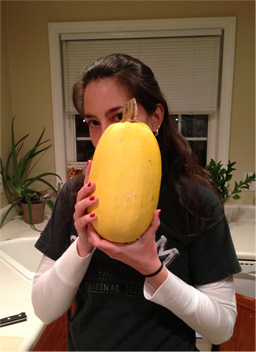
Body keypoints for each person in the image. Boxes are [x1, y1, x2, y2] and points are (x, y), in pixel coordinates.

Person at [32, 54, 241, 351]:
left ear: (156, 117)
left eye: (118, 116)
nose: (105, 135)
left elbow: (221, 329)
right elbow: (44, 309)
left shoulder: (197, 202)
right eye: (93, 121)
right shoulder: (75, 196)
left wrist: (153, 269)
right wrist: (82, 246)